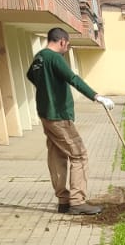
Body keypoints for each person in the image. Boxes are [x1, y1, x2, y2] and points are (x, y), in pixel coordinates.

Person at [26, 27, 113, 215]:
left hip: (45, 114)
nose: (66, 49)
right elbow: (73, 78)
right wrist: (96, 97)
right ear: (62, 42)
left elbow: (30, 76)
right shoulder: (55, 58)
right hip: (58, 115)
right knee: (79, 154)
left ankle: (63, 201)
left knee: (57, 155)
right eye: (67, 45)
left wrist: (46, 88)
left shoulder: (39, 57)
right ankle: (77, 201)